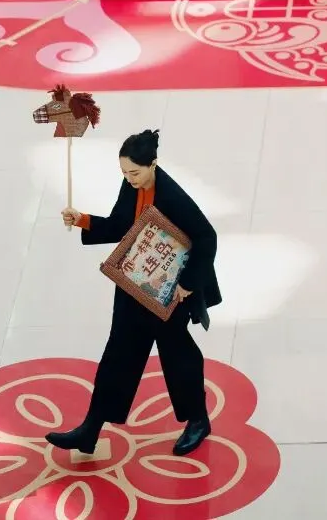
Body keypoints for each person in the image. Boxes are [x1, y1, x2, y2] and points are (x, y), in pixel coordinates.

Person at [46, 127, 221, 459]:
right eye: (124, 173)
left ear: (153, 164)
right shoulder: (132, 186)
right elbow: (120, 226)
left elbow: (206, 237)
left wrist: (187, 283)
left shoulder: (172, 196)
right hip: (134, 282)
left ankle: (198, 420)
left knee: (177, 355)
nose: (129, 179)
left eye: (135, 173)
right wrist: (82, 219)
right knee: (117, 355)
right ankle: (91, 428)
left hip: (171, 291)